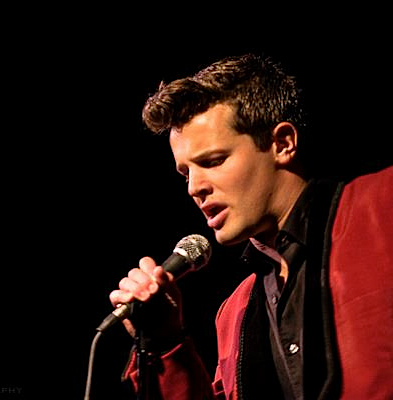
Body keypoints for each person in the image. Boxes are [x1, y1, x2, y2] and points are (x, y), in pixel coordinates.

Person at [109, 54, 393, 399]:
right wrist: (165, 341)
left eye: (213, 161)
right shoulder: (234, 314)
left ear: (282, 143)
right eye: (185, 173)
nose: (194, 187)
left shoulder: (381, 206)